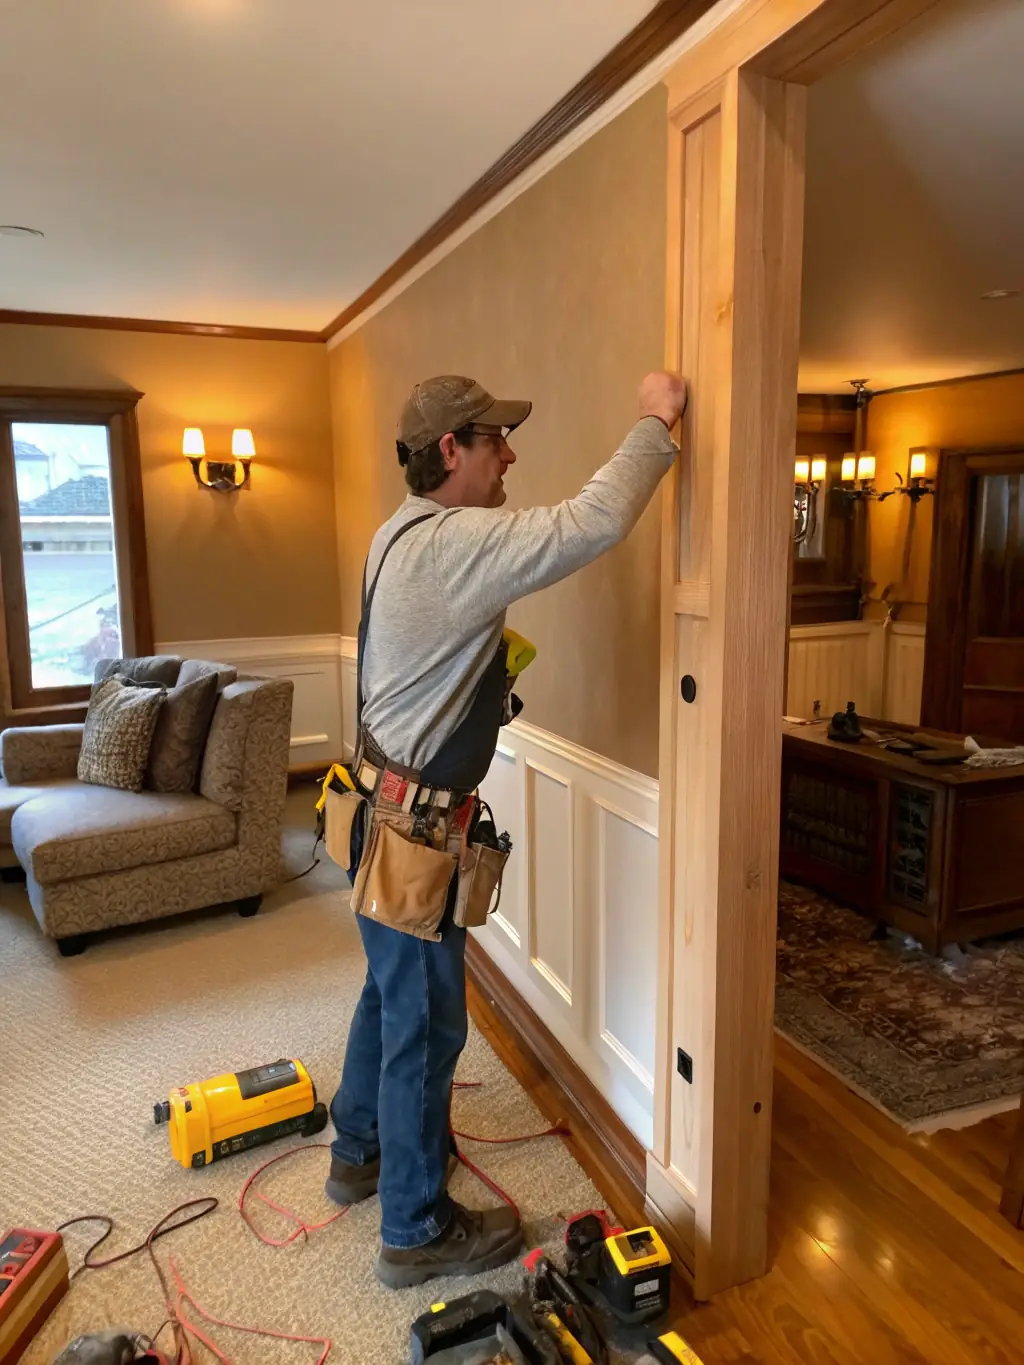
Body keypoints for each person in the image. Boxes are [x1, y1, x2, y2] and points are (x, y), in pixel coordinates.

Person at [326, 369, 688, 1289]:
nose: (510, 456)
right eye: (496, 440)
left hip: (378, 811)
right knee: (428, 1024)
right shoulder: (456, 543)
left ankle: (360, 1151)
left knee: (386, 994)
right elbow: (592, 522)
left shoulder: (390, 535)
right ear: (452, 449)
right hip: (416, 831)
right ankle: (413, 1228)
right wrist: (654, 418)